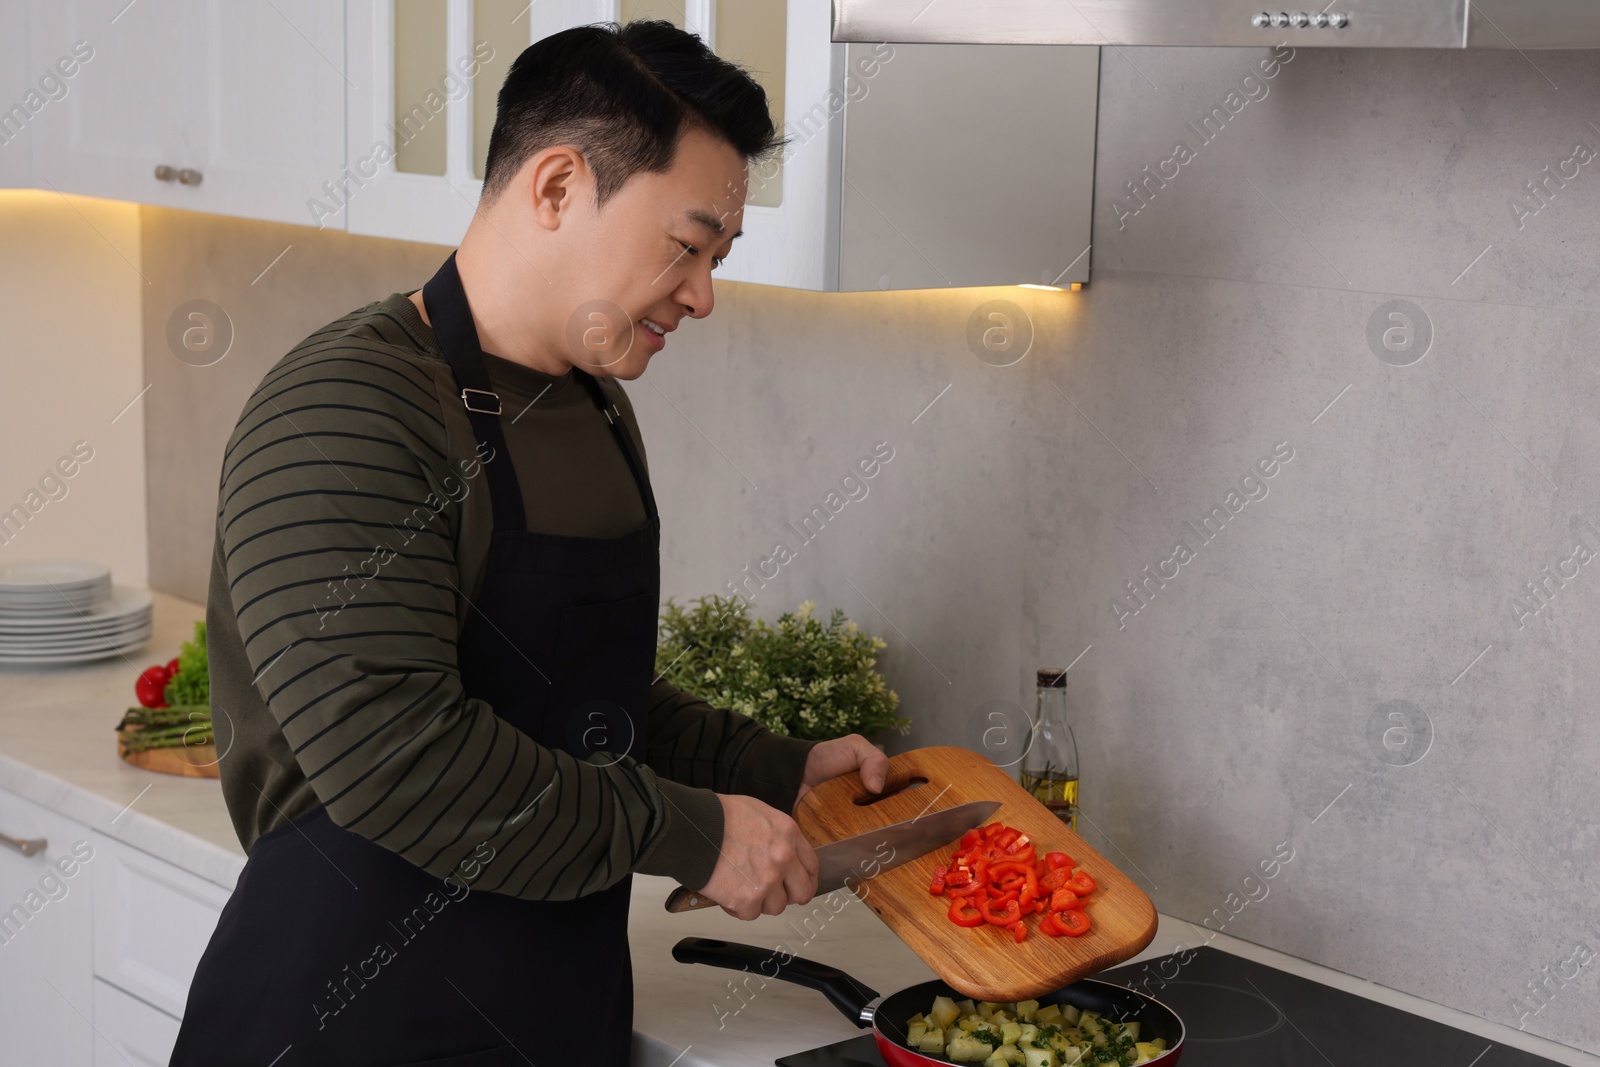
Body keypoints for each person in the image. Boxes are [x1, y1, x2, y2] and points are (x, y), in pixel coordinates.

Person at [169, 20, 889, 1066]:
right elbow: (396, 755)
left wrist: (775, 768)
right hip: (340, 1020)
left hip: (552, 1018)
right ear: (556, 186)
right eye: (686, 246)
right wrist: (698, 832)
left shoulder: (590, 404)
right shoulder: (347, 405)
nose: (703, 294)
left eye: (717, 257)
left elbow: (566, 692)